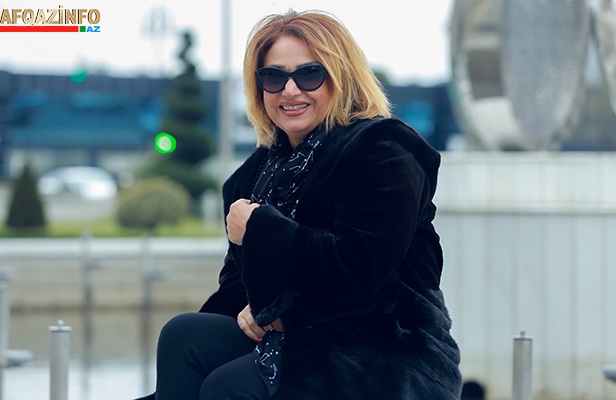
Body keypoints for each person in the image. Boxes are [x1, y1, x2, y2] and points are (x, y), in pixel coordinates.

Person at [135, 9, 461, 400]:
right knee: (184, 336)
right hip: (299, 334)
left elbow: (358, 270)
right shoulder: (253, 174)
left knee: (228, 387)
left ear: (340, 78)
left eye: (309, 74)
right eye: (273, 77)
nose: (290, 90)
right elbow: (239, 280)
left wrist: (259, 230)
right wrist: (257, 306)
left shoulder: (382, 152)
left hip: (384, 346)